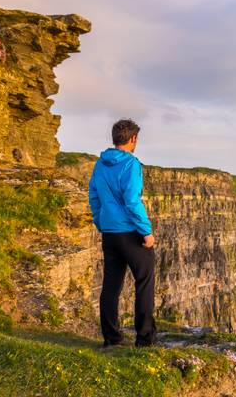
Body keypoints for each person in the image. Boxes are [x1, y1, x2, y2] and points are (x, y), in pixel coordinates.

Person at [88, 119, 157, 347]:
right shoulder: (131, 164)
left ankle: (112, 338)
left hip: (109, 232)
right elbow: (131, 200)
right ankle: (144, 339)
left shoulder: (100, 164)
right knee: (144, 282)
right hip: (130, 233)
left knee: (110, 286)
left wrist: (101, 221)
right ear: (133, 139)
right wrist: (146, 232)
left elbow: (94, 197)